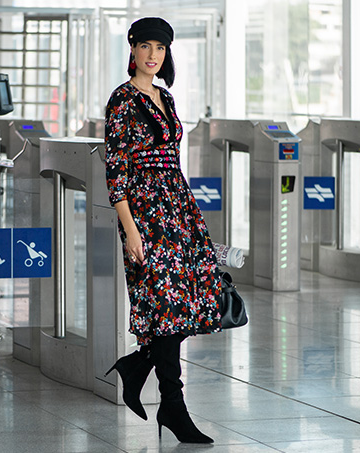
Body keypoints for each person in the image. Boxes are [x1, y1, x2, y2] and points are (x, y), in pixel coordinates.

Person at [104, 17, 221, 444]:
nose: (154, 55)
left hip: (178, 207)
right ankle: (173, 405)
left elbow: (171, 157)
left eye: (162, 48)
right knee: (166, 308)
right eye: (146, 46)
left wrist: (188, 215)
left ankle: (138, 369)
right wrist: (130, 230)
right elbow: (116, 170)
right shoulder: (122, 100)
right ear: (132, 49)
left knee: (189, 301)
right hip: (146, 215)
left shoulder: (165, 98)